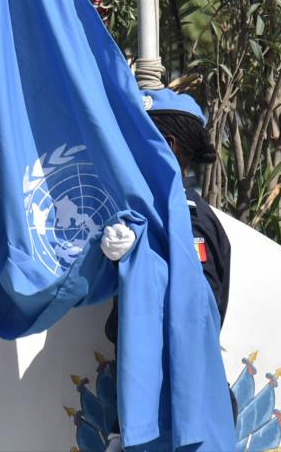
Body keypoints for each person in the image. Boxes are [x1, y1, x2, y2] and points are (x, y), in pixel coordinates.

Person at [99, 88, 232, 452]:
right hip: (146, 402)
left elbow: (192, 310)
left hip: (178, 411)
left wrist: (140, 257)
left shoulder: (189, 223)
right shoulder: (149, 220)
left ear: (168, 145)